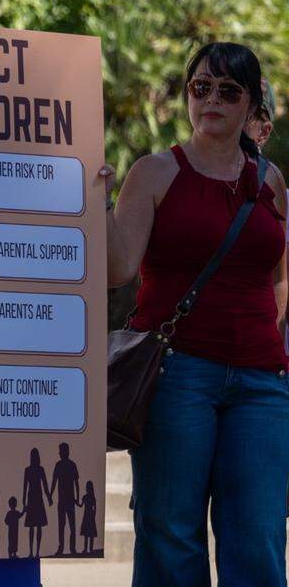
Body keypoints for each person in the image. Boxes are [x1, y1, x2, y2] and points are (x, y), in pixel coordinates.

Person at [101, 42, 289, 586]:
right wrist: (98, 201)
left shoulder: (270, 181)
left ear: (251, 104)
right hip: (176, 375)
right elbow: (118, 269)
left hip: (261, 383)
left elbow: (279, 274)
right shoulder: (155, 172)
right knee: (171, 535)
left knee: (258, 535)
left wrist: (265, 335)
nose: (211, 100)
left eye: (228, 91)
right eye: (200, 87)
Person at [50, 442, 80, 556]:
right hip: (65, 500)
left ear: (65, 452)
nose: (59, 453)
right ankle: (65, 548)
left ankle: (70, 548)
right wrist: (50, 495)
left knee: (67, 526)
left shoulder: (67, 465)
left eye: (61, 451)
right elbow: (54, 482)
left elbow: (76, 483)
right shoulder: (67, 465)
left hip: (67, 500)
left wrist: (50, 495)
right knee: (64, 526)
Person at [21, 447, 51, 558]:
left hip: (36, 498)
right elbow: (25, 485)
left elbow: (44, 485)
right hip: (34, 498)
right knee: (34, 526)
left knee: (35, 526)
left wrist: (48, 497)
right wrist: (24, 499)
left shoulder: (35, 469)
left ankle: (36, 551)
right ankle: (32, 551)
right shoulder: (32, 470)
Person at [79, 480, 97, 555]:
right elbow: (95, 508)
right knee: (90, 534)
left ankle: (86, 549)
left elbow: (81, 505)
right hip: (90, 515)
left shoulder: (85, 497)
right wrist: (94, 515)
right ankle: (90, 549)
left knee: (86, 534)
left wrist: (76, 502)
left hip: (87, 516)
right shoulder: (92, 497)